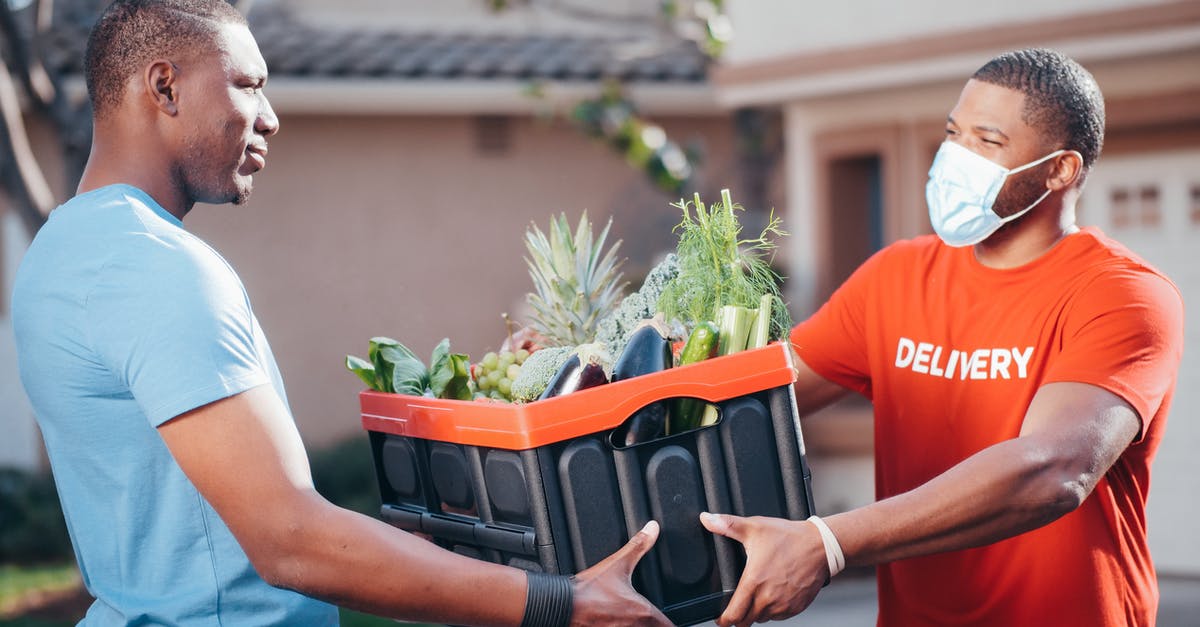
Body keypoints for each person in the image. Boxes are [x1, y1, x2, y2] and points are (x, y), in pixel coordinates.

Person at [11, 1, 670, 625]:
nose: (269, 117)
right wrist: (561, 602)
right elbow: (289, 539)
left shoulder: (57, 253)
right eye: (247, 84)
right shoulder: (153, 265)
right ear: (165, 87)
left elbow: (184, 511)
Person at [700, 48, 1183, 626]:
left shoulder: (1122, 294)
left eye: (987, 141)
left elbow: (1053, 471)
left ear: (1061, 169)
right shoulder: (896, 276)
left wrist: (828, 542)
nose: (956, 156)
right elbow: (758, 395)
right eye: (953, 133)